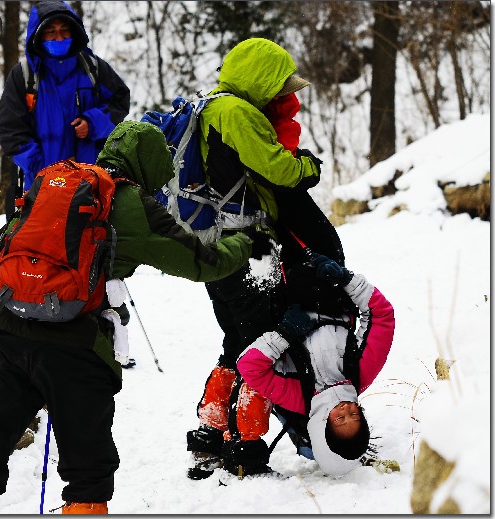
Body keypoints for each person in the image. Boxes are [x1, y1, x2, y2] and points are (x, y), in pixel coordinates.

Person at [0, 121, 271, 514]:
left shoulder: (58, 183)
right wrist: (247, 241)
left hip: (4, 332)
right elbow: (202, 262)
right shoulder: (130, 203)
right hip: (73, 349)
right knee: (87, 478)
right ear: (149, 168)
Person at [186, 37, 339, 479]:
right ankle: (246, 448)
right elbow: (280, 170)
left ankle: (212, 430)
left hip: (214, 245)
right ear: (260, 79)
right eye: (278, 86)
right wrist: (309, 165)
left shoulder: (208, 106)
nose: (282, 96)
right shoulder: (236, 113)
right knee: (262, 347)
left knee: (235, 342)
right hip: (246, 248)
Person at [225, 253, 395, 477]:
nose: (346, 410)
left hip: (276, 293)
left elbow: (249, 367)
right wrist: (346, 279)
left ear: (322, 426)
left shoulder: (296, 395)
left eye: (340, 419)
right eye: (355, 416)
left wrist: (285, 332)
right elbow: (381, 316)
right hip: (324, 278)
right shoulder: (361, 372)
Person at [0, 0, 130, 202]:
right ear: (38, 35)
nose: (59, 38)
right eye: (51, 32)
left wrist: (92, 123)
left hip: (92, 184)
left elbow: (120, 102)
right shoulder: (24, 76)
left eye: (64, 30)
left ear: (74, 32)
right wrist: (40, 166)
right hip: (42, 188)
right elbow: (10, 130)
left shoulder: (92, 68)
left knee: (93, 233)